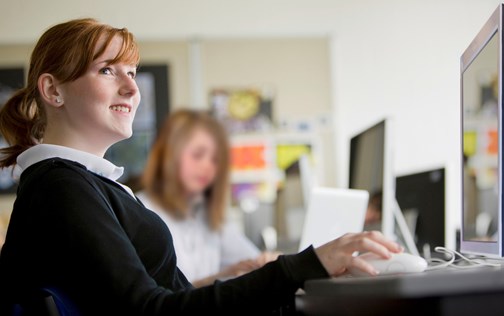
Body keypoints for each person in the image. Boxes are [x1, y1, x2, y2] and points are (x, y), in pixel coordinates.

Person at [0, 18, 403, 315]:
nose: (132, 88)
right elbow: (152, 312)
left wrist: (297, 271)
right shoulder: (62, 188)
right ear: (53, 90)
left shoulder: (86, 184)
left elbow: (170, 298)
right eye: (107, 70)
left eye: (133, 73)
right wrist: (303, 265)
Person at [137, 109, 279, 288]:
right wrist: (224, 275)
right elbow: (158, 299)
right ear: (169, 155)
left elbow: (251, 260)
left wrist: (270, 262)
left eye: (215, 160)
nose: (207, 166)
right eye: (198, 155)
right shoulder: (141, 211)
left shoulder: (206, 213)